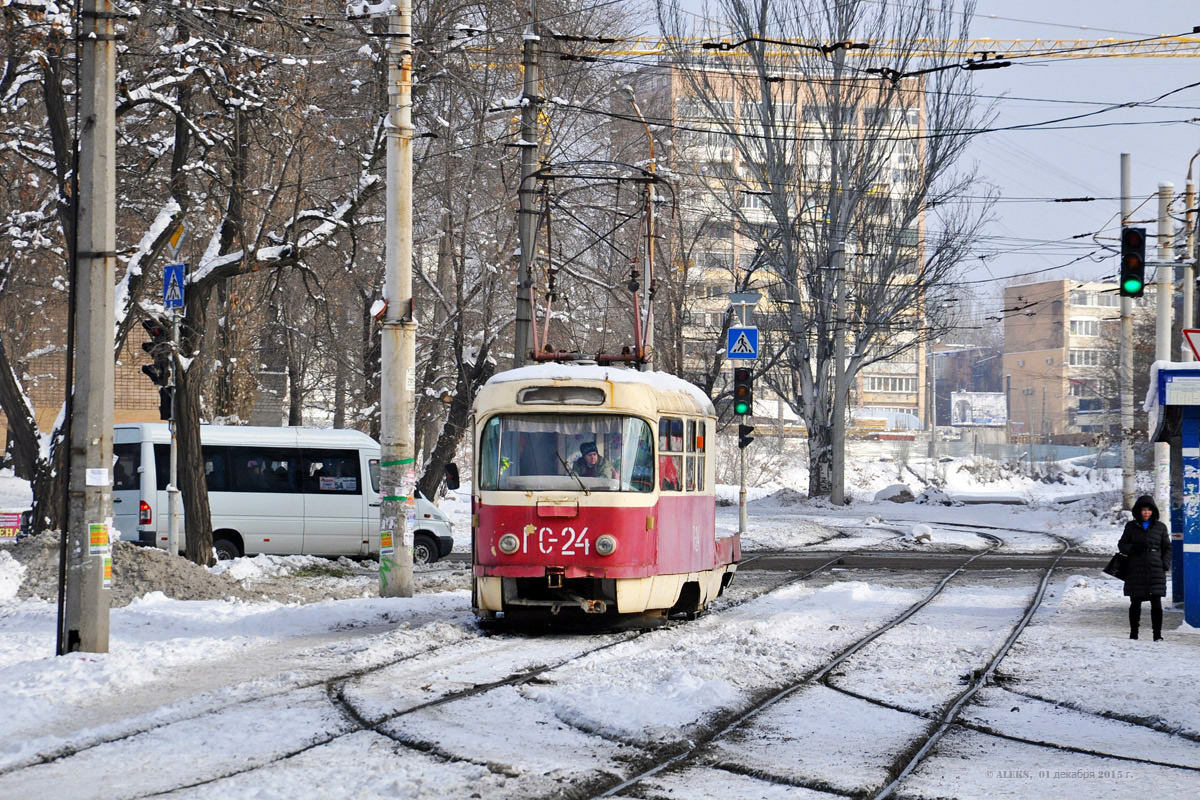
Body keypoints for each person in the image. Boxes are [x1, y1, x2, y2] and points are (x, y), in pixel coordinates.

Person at [1118, 494, 1171, 641]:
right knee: (1135, 603)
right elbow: (1122, 545)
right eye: (1144, 510)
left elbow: (1167, 547)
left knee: (1156, 604)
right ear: (1138, 511)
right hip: (1136, 569)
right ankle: (1134, 633)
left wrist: (1164, 564)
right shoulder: (1131, 526)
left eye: (1149, 510)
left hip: (1155, 570)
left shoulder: (1160, 527)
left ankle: (1157, 635)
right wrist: (1133, 547)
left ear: (1153, 511)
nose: (1146, 513)